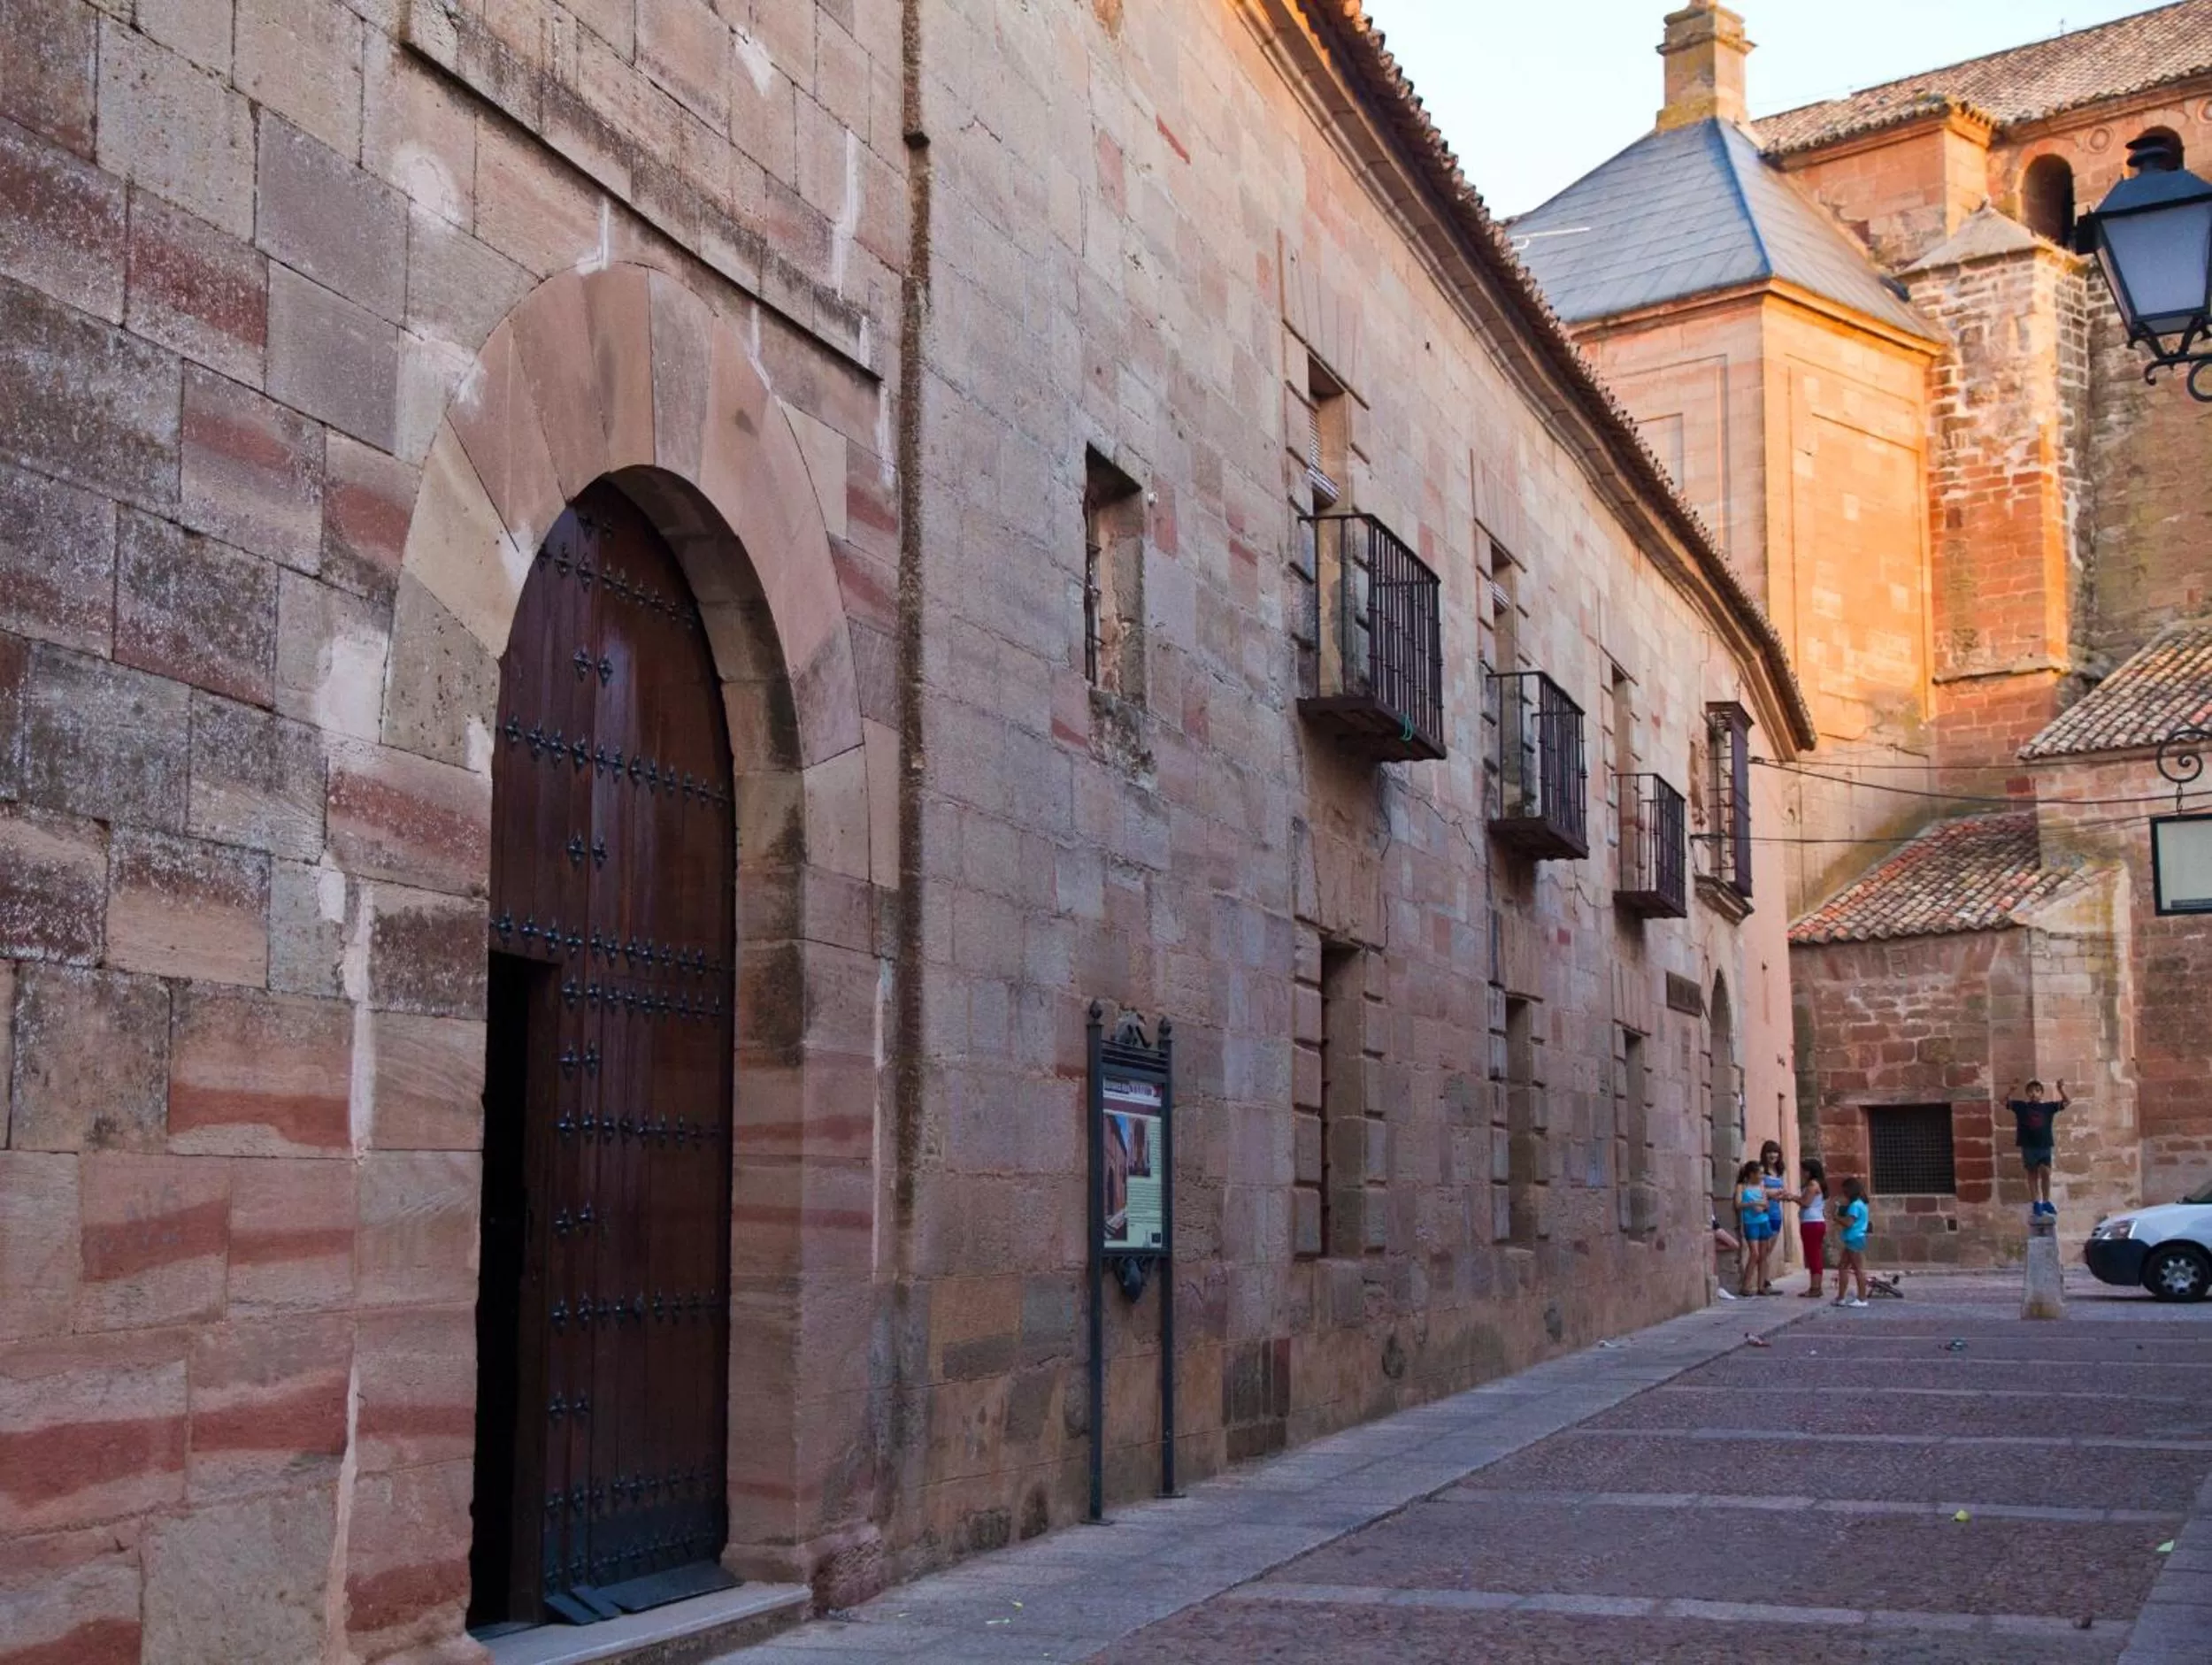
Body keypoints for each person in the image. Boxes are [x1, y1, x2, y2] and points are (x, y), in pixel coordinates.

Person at [2006, 1078, 2070, 1219]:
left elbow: (2066, 1102)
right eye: (2031, 1091)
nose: (2034, 1094)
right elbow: (2003, 1101)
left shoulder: (2048, 1107)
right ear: (2027, 1094)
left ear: (2041, 1093)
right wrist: (2011, 1090)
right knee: (2032, 1174)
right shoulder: (2022, 1107)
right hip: (2029, 1145)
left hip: (2044, 1145)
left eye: (2037, 1091)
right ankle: (2036, 1202)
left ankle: (2046, 1201)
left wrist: (2060, 1089)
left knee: (2046, 1172)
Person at [1733, 1159, 1773, 1298]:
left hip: (1764, 1221)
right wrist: (1753, 1203)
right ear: (1751, 1174)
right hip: (1751, 1223)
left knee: (1763, 1254)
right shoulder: (1742, 1186)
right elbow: (1738, 1205)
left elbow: (1766, 1204)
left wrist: (1762, 1206)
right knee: (1754, 1254)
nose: (1763, 1176)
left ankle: (1761, 1286)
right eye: (1760, 1173)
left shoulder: (1761, 1186)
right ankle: (1745, 1286)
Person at [1833, 1176, 1871, 1307]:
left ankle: (1862, 1298)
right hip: (1855, 1238)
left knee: (1857, 1269)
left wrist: (1836, 1217)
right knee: (1843, 1267)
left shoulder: (1855, 1205)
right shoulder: (1861, 1204)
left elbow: (1849, 1223)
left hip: (1854, 1238)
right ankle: (1841, 1297)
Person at [1758, 1140, 1788, 1294]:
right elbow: (1759, 1191)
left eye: (1776, 1152)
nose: (1773, 1155)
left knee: (1769, 1250)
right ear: (1765, 1154)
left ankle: (1765, 1280)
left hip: (1777, 1214)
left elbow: (1783, 1190)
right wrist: (1774, 1193)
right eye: (1770, 1152)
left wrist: (1782, 1193)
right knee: (1763, 1250)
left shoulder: (1780, 1171)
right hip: (1765, 1213)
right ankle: (1763, 1283)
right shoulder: (1761, 1171)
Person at [1797, 1158, 1827, 1300]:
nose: (1802, 1172)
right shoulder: (1818, 1183)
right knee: (1815, 1254)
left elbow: (1805, 1202)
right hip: (1816, 1221)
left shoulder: (1812, 1185)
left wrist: (1791, 1197)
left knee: (1813, 1255)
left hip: (1811, 1222)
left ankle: (1815, 1287)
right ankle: (1816, 1286)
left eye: (1804, 1170)